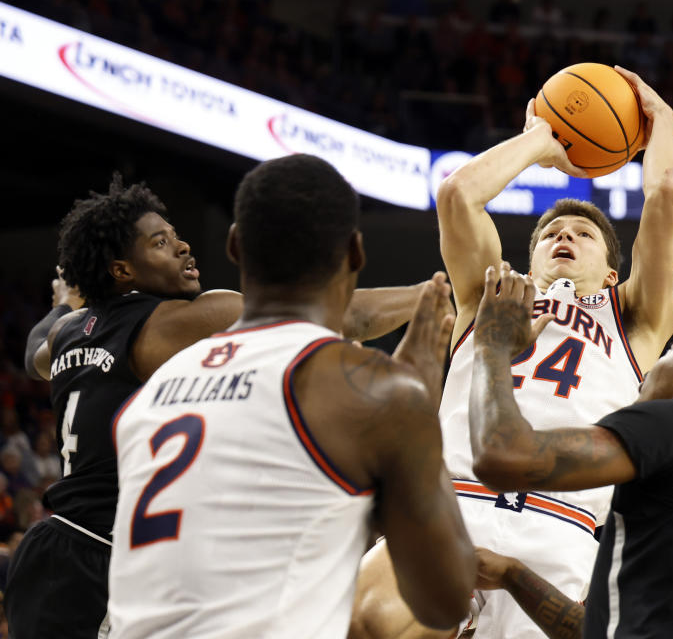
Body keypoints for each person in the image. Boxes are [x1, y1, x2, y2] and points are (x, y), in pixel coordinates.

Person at [7, 174, 430, 638]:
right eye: (160, 243)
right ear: (123, 270)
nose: (183, 246)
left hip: (57, 545)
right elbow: (342, 315)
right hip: (100, 553)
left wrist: (64, 304)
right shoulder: (178, 322)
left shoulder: (68, 332)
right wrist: (433, 295)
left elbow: (32, 356)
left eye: (175, 236)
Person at [350, 66, 673, 638]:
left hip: (562, 531)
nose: (564, 236)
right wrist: (542, 139)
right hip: (452, 503)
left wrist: (663, 120)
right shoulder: (488, 296)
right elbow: (458, 195)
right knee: (368, 621)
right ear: (528, 260)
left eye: (582, 234)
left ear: (612, 272)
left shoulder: (634, 320)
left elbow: (666, 197)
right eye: (552, 233)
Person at [108, 155, 475, 638]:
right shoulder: (363, 387)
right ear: (356, 253)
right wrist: (417, 409)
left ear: (235, 245)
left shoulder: (149, 395)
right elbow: (444, 601)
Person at [466, 266, 673, 639]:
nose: (652, 366)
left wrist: (491, 345)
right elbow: (598, 633)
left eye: (671, 351)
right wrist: (512, 574)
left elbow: (501, 456)